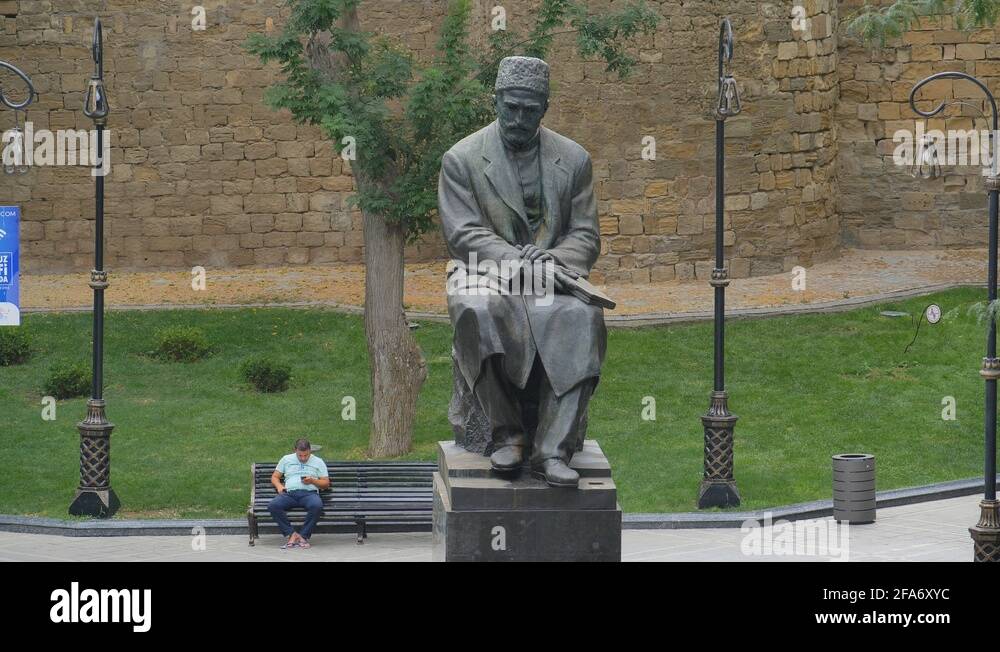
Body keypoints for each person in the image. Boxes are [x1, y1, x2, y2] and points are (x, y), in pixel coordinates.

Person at [438, 56, 606, 488]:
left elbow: (585, 236)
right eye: (510, 107)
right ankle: (507, 434)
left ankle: (553, 450)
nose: (517, 118)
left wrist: (552, 262)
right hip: (484, 270)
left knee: (583, 318)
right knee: (477, 310)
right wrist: (515, 262)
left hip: (553, 275)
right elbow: (464, 234)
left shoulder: (574, 159)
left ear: (544, 108)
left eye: (529, 110)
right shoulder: (462, 159)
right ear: (495, 101)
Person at [267, 438, 330, 549]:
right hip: (289, 493)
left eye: (306, 455)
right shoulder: (286, 459)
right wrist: (279, 486)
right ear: (295, 450)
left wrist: (312, 481)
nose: (303, 458)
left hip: (309, 494)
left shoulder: (318, 461)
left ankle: (303, 536)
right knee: (273, 505)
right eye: (300, 455)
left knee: (317, 505)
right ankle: (292, 534)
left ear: (310, 451)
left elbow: (326, 484)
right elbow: (275, 477)